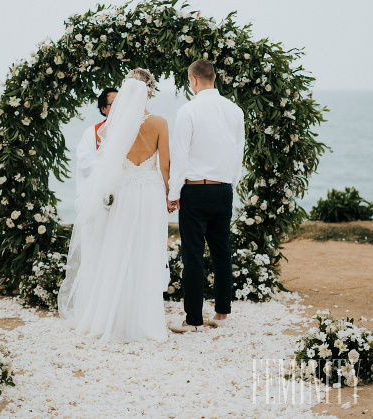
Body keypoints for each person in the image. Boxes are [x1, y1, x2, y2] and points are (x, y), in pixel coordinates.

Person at [58, 69, 170, 343]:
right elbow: (165, 165)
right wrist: (169, 194)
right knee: (146, 250)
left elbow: (106, 164)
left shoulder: (113, 125)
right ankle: (144, 320)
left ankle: (112, 317)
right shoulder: (160, 122)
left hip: (124, 191)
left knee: (118, 249)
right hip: (149, 192)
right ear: (150, 92)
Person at [168, 59, 245, 333]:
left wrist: (173, 192)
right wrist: (229, 185)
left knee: (193, 255)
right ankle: (222, 314)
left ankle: (193, 320)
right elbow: (239, 154)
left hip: (196, 190)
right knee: (222, 251)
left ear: (194, 80)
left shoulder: (188, 110)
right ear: (214, 78)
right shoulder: (235, 111)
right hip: (224, 189)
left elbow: (180, 155)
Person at [76, 87, 118, 180]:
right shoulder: (91, 133)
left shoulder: (133, 131)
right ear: (103, 109)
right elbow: (85, 166)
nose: (119, 107)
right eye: (114, 104)